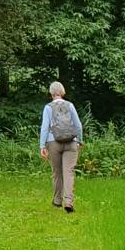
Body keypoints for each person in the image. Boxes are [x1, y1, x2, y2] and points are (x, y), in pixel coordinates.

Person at [39, 81, 83, 212]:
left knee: (57, 172)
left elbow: (44, 128)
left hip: (54, 142)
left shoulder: (48, 107)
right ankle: (68, 201)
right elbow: (78, 125)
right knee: (69, 172)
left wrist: (42, 146)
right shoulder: (70, 105)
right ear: (62, 91)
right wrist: (79, 140)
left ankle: (57, 200)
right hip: (71, 142)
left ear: (51, 93)